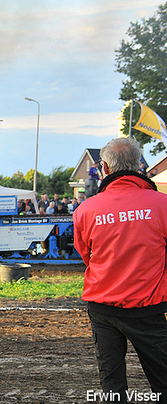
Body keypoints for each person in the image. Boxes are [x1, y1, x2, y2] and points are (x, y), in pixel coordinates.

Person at [73, 137, 167, 402]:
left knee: (112, 385)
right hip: (148, 307)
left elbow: (86, 256)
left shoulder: (86, 210)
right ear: (139, 165)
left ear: (104, 167)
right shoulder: (162, 204)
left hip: (102, 306)